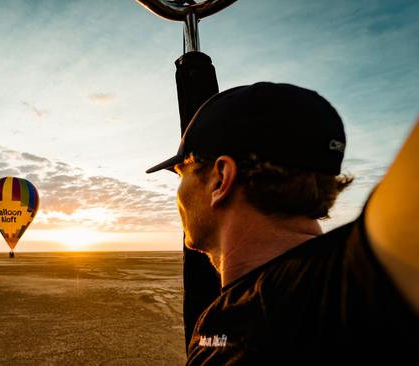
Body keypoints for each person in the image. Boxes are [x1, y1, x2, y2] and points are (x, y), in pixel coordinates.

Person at [146, 82, 419, 364]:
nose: (178, 192)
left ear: (220, 179)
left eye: (181, 174)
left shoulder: (341, 286)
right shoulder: (339, 296)